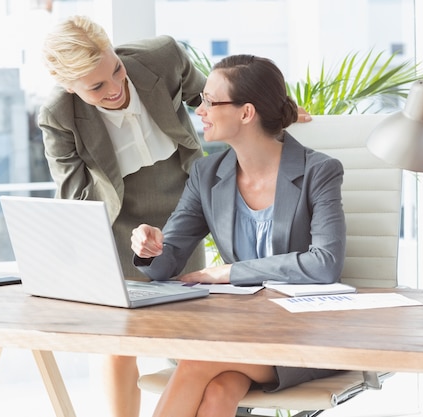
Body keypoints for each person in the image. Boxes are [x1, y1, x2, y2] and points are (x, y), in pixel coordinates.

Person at [130, 54, 345, 417]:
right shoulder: (207, 174)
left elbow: (325, 265)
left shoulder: (318, 171)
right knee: (218, 393)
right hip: (241, 331)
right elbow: (166, 263)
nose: (200, 110)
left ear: (247, 113)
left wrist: (228, 271)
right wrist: (149, 247)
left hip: (308, 333)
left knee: (197, 363)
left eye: (210, 101)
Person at [38, 15, 208, 417]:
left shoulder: (162, 57)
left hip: (181, 210)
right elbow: (75, 195)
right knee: (119, 343)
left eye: (116, 69)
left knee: (188, 336)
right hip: (116, 223)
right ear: (68, 84)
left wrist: (276, 113)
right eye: (96, 86)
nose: (116, 89)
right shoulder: (58, 115)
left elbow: (215, 99)